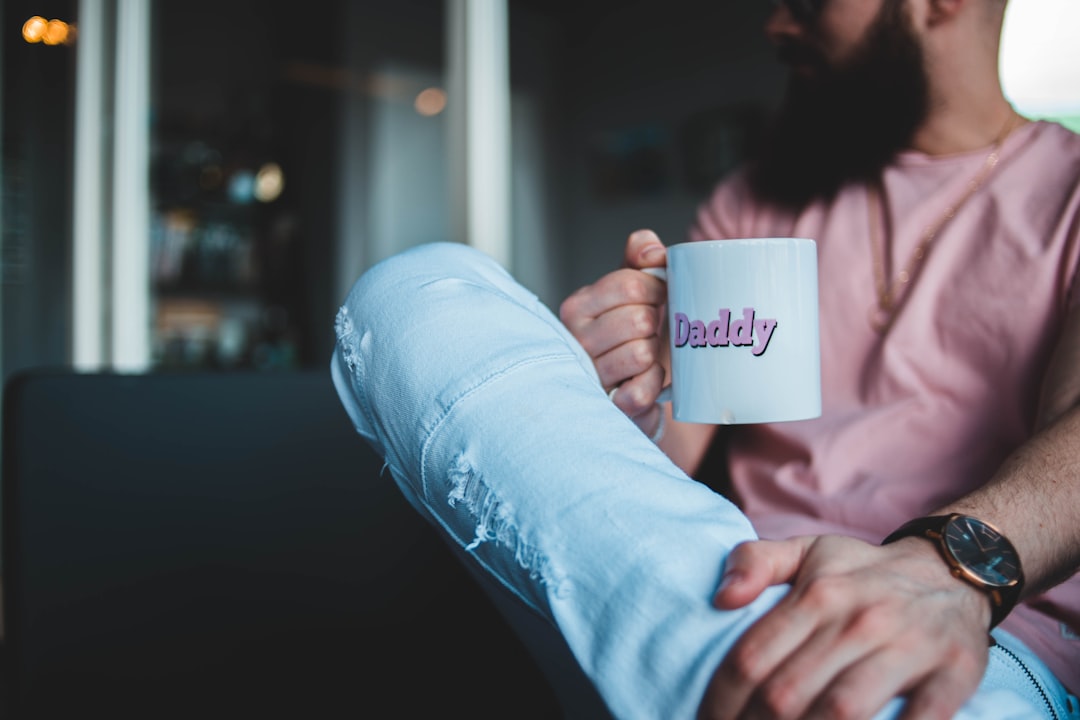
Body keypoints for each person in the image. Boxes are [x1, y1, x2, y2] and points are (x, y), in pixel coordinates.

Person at [331, 0, 1080, 718]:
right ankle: (747, 671)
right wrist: (624, 395)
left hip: (980, 638)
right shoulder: (754, 198)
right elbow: (667, 460)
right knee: (413, 291)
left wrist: (946, 570)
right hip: (726, 584)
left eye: (809, 1)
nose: (776, 23)